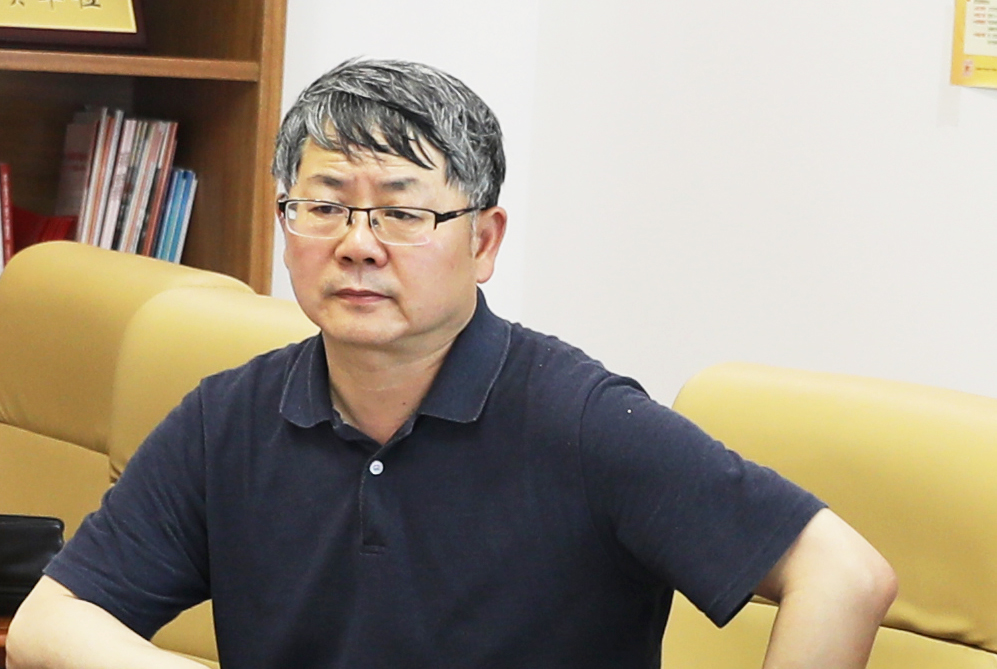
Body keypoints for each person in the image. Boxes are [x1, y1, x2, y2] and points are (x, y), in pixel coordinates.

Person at [6, 58, 897, 669]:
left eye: (402, 213)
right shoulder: (229, 417)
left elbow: (844, 574)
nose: (358, 243)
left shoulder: (581, 420)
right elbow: (51, 622)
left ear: (483, 241)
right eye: (324, 206)